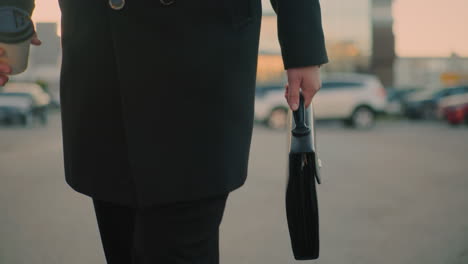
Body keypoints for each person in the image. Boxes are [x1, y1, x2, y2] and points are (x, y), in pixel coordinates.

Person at [0, 0, 328, 263]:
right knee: (121, 241)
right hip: (100, 57)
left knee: (178, 242)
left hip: (200, 55)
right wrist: (10, 13)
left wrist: (302, 45)